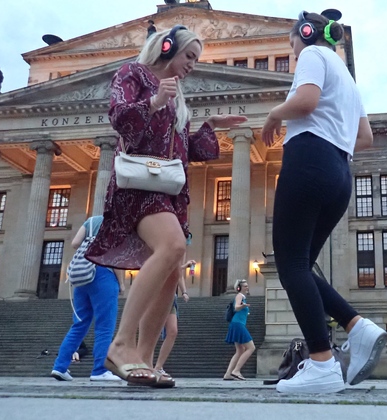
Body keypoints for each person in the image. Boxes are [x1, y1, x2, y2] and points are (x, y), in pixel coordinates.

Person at [84, 25, 247, 386]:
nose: (192, 65)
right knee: (173, 246)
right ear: (167, 47)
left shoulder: (176, 98)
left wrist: (210, 125)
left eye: (196, 60)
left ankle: (141, 359)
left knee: (173, 271)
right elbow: (119, 118)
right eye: (189, 56)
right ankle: (120, 344)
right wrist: (155, 101)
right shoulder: (133, 74)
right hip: (138, 189)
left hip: (167, 192)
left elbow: (184, 150)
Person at [261, 10, 384, 394]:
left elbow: (307, 101)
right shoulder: (347, 77)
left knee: (290, 264)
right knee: (301, 265)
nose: (292, 48)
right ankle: (357, 326)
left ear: (305, 33)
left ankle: (321, 362)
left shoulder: (313, 55)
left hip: (309, 162)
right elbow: (364, 137)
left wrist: (274, 114)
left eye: (291, 41)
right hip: (339, 172)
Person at [51, 216, 122, 382]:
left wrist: (90, 242)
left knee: (79, 324)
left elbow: (75, 243)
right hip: (104, 274)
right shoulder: (116, 222)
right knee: (105, 325)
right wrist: (121, 284)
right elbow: (116, 258)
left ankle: (60, 367)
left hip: (83, 275)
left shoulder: (91, 221)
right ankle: (99, 370)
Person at [149, 257, 194, 385]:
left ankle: (158, 367)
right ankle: (148, 366)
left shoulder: (178, 253)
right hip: (156, 294)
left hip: (170, 296)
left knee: (172, 331)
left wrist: (184, 292)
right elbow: (163, 269)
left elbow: (178, 275)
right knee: (153, 332)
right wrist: (184, 266)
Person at [223, 279, 256, 380]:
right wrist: (243, 306)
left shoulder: (243, 297)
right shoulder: (240, 296)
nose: (247, 287)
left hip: (237, 324)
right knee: (251, 347)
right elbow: (236, 307)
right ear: (239, 288)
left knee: (240, 350)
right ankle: (236, 371)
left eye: (247, 285)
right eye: (245, 286)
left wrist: (244, 309)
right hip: (238, 324)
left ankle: (228, 374)